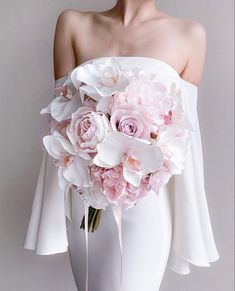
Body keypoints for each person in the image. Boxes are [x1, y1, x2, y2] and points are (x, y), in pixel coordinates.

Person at [24, 1, 219, 291]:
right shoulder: (72, 24)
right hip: (88, 200)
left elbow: (184, 134)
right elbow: (61, 118)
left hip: (147, 202)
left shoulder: (189, 35)